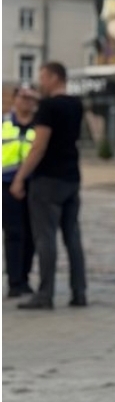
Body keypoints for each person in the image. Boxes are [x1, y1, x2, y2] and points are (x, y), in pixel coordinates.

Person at [11, 62, 87, 310]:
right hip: (71, 177)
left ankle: (45, 295)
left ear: (54, 77)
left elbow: (39, 146)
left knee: (45, 238)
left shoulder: (47, 107)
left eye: (42, 76)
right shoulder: (75, 105)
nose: (39, 81)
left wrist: (21, 177)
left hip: (47, 181)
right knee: (72, 237)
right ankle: (79, 292)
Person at [3, 83, 39, 297]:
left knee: (31, 235)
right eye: (22, 97)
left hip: (33, 184)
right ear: (14, 99)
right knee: (13, 233)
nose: (26, 101)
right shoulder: (4, 123)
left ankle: (24, 278)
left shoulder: (40, 125)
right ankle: (14, 282)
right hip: (7, 184)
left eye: (30, 97)